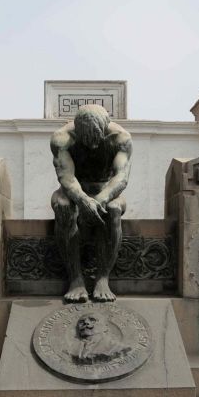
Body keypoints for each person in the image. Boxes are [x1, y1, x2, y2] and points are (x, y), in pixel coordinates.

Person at [50, 105, 132, 303]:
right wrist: (84, 200)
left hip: (107, 191)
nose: (93, 146)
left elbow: (121, 177)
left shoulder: (121, 138)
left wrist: (101, 199)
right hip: (73, 191)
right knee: (63, 206)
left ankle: (103, 278)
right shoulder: (62, 139)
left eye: (96, 139)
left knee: (113, 210)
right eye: (87, 140)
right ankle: (76, 279)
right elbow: (66, 176)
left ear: (105, 129)